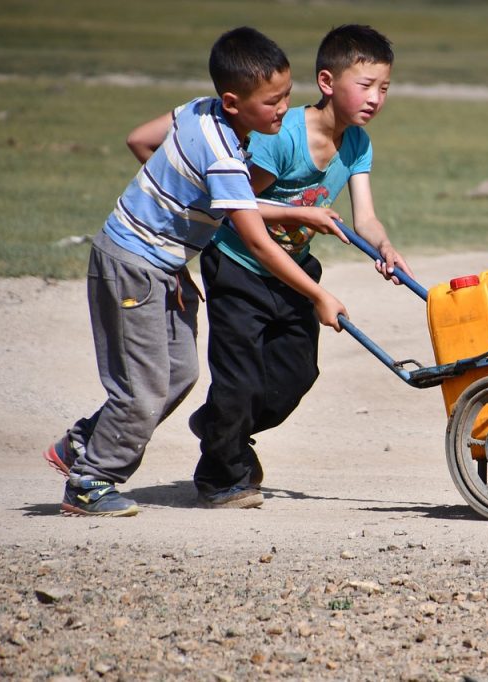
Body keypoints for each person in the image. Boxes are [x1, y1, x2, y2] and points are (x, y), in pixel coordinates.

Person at [42, 27, 349, 517]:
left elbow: (139, 140)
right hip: (131, 266)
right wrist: (319, 294)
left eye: (287, 94)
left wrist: (175, 240)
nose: (283, 109)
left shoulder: (195, 110)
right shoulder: (226, 156)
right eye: (272, 101)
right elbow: (255, 240)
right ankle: (91, 480)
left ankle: (82, 442)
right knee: (141, 389)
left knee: (180, 374)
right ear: (233, 101)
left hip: (159, 263)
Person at [125, 24, 411, 510]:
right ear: (327, 82)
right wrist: (298, 215)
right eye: (365, 85)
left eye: (384, 87)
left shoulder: (358, 144)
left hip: (293, 271)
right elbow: (241, 205)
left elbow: (365, 218)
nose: (376, 98)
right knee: (239, 382)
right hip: (239, 266)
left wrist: (384, 246)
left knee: (294, 377)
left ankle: (220, 426)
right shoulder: (282, 139)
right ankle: (221, 476)